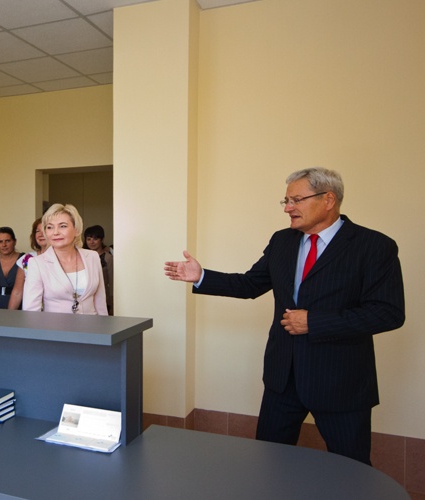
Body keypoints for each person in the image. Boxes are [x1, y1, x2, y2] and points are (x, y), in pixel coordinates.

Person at [164, 167, 405, 465]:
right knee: (270, 462)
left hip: (340, 381)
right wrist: (202, 276)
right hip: (283, 378)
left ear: (328, 200)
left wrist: (314, 322)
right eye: (286, 201)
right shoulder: (282, 241)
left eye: (296, 200)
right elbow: (250, 284)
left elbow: (388, 313)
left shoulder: (374, 246)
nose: (288, 208)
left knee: (352, 469)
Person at [23, 204, 107, 315]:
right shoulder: (37, 263)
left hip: (92, 325)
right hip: (55, 326)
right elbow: (31, 311)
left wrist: (103, 324)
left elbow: (100, 301)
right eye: (49, 227)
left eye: (62, 226)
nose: (55, 232)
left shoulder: (92, 257)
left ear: (76, 230)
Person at [84, 225, 114, 315]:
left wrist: (112, 305)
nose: (91, 242)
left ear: (102, 240)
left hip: (104, 299)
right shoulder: (83, 257)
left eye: (95, 239)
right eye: (89, 239)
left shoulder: (108, 258)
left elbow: (112, 282)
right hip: (86, 300)